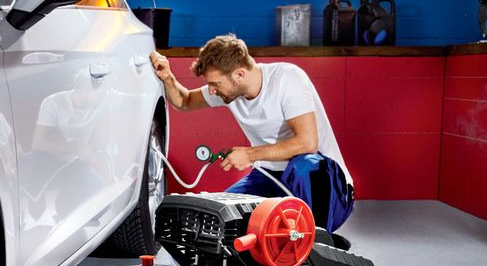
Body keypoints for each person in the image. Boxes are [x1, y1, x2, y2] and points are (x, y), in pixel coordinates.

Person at [148, 34, 355, 234]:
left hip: (328, 189)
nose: (211, 90)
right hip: (271, 177)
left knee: (304, 165)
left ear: (239, 74)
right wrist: (168, 76)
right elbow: (184, 101)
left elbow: (308, 143)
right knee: (221, 218)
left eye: (215, 84)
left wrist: (250, 154)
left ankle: (315, 239)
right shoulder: (232, 89)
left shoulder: (287, 79)